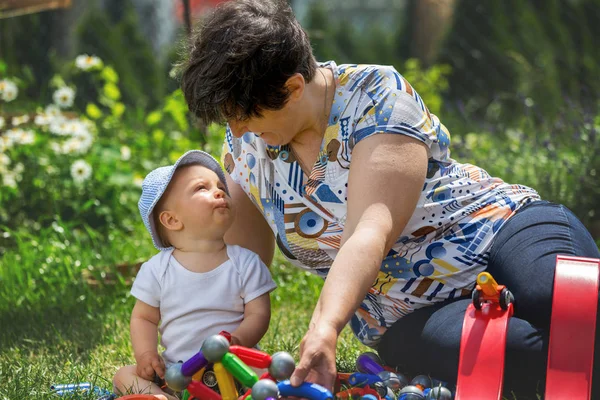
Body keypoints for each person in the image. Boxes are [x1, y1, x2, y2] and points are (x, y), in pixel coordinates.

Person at [179, 0, 600, 397]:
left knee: (569, 308)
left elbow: (369, 230)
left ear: (292, 88)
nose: (234, 131)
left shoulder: (376, 97)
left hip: (497, 229)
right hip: (409, 312)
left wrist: (324, 327)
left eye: (243, 114)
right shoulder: (245, 147)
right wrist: (200, 351)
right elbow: (241, 270)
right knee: (520, 355)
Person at [112, 150, 277, 400]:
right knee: (124, 376)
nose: (220, 191)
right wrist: (146, 355)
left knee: (273, 373)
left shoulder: (246, 262)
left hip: (235, 366)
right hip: (178, 373)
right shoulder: (157, 270)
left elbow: (259, 313)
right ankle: (162, 398)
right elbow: (144, 317)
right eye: (202, 188)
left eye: (221, 186)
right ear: (171, 219)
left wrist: (240, 339)